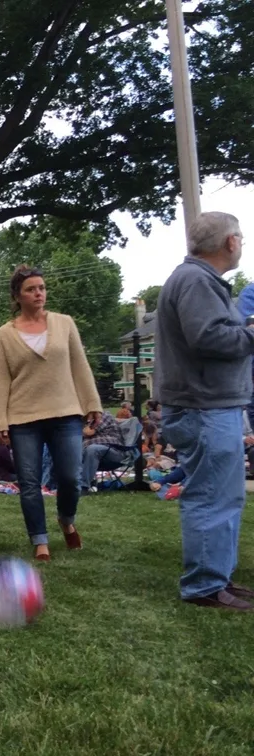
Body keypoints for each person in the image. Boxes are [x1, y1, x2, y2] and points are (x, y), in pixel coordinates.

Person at [155, 211, 254, 611]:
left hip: (208, 407)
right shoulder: (196, 281)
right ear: (229, 242)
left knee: (223, 496)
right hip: (205, 409)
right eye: (241, 238)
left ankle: (218, 577)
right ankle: (205, 586)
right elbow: (208, 336)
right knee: (212, 496)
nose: (242, 244)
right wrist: (250, 333)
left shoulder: (196, 279)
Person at [0, 265, 102, 561]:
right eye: (31, 289)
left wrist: (92, 403)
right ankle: (39, 540)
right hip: (23, 418)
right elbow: (0, 382)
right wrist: (0, 421)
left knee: (69, 476)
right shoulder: (4, 334)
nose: (38, 293)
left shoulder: (64, 323)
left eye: (41, 287)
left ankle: (66, 519)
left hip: (65, 413)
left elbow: (80, 365)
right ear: (17, 295)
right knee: (29, 482)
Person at [79, 411, 132, 493]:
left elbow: (88, 432)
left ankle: (83, 487)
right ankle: (60, 486)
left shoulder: (104, 415)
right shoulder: (83, 420)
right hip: (89, 454)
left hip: (113, 452)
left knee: (93, 449)